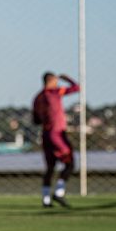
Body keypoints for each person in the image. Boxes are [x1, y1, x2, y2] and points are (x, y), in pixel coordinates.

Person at [32, 72, 78, 208]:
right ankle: (59, 192)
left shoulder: (37, 97)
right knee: (70, 163)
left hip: (46, 135)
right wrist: (67, 78)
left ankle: (46, 200)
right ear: (52, 81)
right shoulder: (55, 92)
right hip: (57, 134)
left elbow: (35, 120)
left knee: (50, 168)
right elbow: (77, 88)